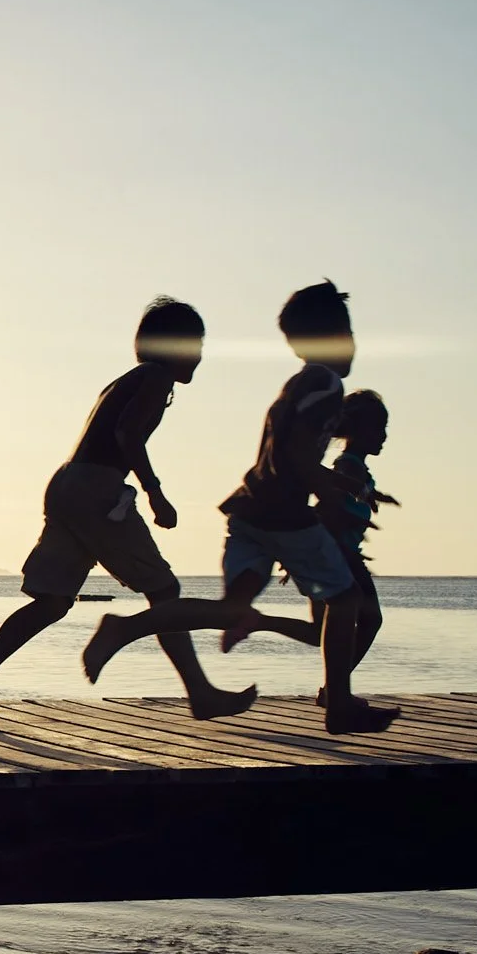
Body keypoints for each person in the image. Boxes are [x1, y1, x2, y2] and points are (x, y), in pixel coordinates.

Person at [81, 281, 400, 734]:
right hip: (284, 514)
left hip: (249, 510)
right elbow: (295, 455)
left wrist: (344, 485)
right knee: (347, 598)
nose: (351, 343)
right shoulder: (327, 385)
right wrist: (327, 495)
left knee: (232, 609)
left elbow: (282, 455)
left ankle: (124, 628)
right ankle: (339, 703)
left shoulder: (298, 385)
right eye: (344, 332)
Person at [0, 297, 257, 729]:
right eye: (198, 344)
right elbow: (128, 434)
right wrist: (154, 492)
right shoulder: (154, 376)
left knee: (54, 601)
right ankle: (200, 693)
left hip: (69, 484)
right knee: (165, 590)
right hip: (95, 488)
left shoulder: (129, 380)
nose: (201, 355)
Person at [312, 388, 397, 704]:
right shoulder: (349, 466)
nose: (384, 437)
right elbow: (327, 505)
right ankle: (335, 690)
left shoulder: (355, 468)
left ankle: (334, 689)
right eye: (380, 430)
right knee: (368, 619)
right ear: (361, 431)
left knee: (364, 620)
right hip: (343, 556)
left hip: (348, 555)